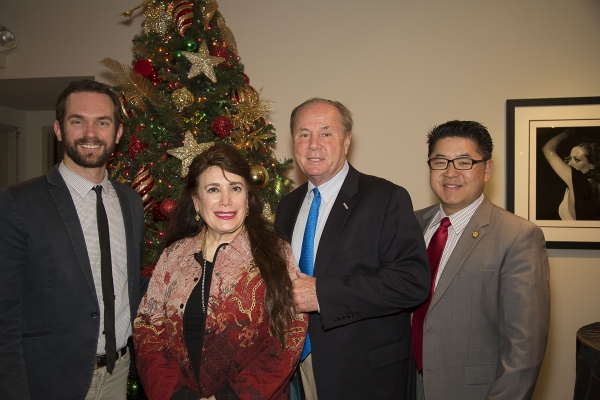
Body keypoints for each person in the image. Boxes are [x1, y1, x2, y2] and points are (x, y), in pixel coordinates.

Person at [274, 98, 430, 400]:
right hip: (297, 371)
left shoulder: (386, 199)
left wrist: (322, 293)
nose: (313, 145)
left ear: (346, 141)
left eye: (326, 133)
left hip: (365, 377)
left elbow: (412, 283)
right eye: (303, 134)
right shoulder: (287, 207)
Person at [0, 79, 145, 400]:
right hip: (49, 379)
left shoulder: (130, 201)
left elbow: (128, 283)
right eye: (77, 121)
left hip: (118, 372)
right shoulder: (18, 202)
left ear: (118, 133)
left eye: (102, 122)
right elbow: (4, 312)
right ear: (58, 128)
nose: (90, 133)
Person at [134, 143, 308, 400]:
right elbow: (147, 330)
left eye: (235, 188)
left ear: (247, 200)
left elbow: (289, 338)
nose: (226, 200)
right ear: (196, 202)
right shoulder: (173, 256)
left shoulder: (278, 254)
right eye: (213, 189)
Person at [413, 120, 550, 400]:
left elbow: (524, 349)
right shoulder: (410, 224)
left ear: (487, 169)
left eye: (464, 162)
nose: (450, 173)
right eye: (440, 161)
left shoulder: (519, 236)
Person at [541, 128, 600, 220]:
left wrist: (566, 134)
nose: (569, 163)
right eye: (570, 158)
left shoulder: (578, 181)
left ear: (593, 165)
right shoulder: (594, 184)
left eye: (577, 159)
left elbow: (548, 149)